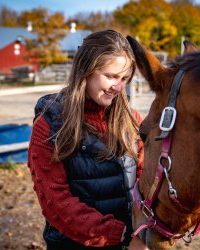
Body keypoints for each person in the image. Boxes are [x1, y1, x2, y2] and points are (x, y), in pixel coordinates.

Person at [28, 30, 146, 249]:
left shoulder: (132, 119)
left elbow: (144, 178)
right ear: (86, 69)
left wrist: (141, 233)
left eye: (124, 79)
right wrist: (118, 233)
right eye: (111, 76)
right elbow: (56, 202)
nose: (118, 87)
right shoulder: (50, 126)